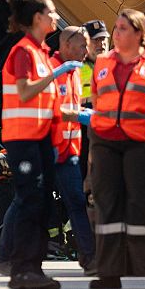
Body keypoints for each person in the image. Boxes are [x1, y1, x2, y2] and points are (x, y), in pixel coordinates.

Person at [87, 10, 145, 289]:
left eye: (122, 28)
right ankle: (108, 273)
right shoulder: (103, 62)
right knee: (107, 206)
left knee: (143, 205)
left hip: (141, 142)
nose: (116, 33)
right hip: (105, 140)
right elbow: (97, 100)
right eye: (116, 28)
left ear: (139, 33)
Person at [1, 0, 73, 289]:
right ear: (37, 19)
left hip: (40, 137)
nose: (56, 16)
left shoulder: (40, 53)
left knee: (41, 203)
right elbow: (25, 91)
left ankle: (33, 268)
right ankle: (23, 269)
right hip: (24, 138)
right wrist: (55, 74)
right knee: (31, 201)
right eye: (51, 12)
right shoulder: (24, 52)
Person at [51, 26, 96, 275]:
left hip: (68, 152)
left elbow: (74, 107)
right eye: (82, 45)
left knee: (77, 202)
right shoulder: (51, 70)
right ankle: (7, 256)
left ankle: (90, 258)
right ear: (67, 45)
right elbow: (52, 110)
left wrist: (86, 113)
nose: (86, 51)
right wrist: (83, 115)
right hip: (47, 150)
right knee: (27, 202)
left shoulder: (76, 72)